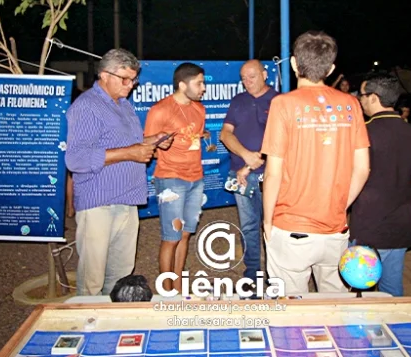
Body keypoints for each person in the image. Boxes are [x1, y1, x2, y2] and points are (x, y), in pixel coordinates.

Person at [261, 31, 370, 293]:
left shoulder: (283, 104)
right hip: (335, 229)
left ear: (294, 63)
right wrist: (339, 205)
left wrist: (267, 221)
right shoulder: (351, 104)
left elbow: (273, 172)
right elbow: (363, 168)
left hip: (291, 227)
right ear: (331, 69)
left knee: (290, 311)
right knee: (335, 307)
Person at [65, 49, 173, 296]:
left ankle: (114, 328)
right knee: (92, 279)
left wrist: (150, 141)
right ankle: (88, 326)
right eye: (124, 79)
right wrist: (131, 152)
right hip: (98, 203)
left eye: (133, 80)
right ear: (104, 75)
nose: (130, 85)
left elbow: (122, 143)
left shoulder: (124, 106)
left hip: (127, 200)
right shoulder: (87, 107)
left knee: (121, 276)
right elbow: (76, 158)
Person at [350, 74, 411, 296]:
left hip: (368, 223)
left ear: (374, 98)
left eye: (362, 95)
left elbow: (355, 173)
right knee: (392, 290)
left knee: (359, 288)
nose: (360, 100)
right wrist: (394, 177)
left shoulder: (364, 131)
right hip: (400, 223)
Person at [143, 63, 207, 293]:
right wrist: (159, 142)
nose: (203, 88)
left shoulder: (200, 110)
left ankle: (179, 288)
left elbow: (195, 139)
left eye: (203, 82)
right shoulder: (160, 110)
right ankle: (166, 292)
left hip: (196, 179)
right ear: (182, 84)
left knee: (185, 235)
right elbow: (146, 143)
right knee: (171, 237)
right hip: (170, 179)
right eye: (199, 83)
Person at [219, 60, 279, 283]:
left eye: (252, 76)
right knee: (248, 225)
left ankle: (275, 272)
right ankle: (253, 273)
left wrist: (254, 161)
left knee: (275, 224)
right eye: (243, 78)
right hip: (241, 176)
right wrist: (246, 156)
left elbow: (284, 141)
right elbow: (225, 134)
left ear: (265, 75)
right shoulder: (238, 101)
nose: (247, 82)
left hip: (271, 175)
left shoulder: (279, 101)